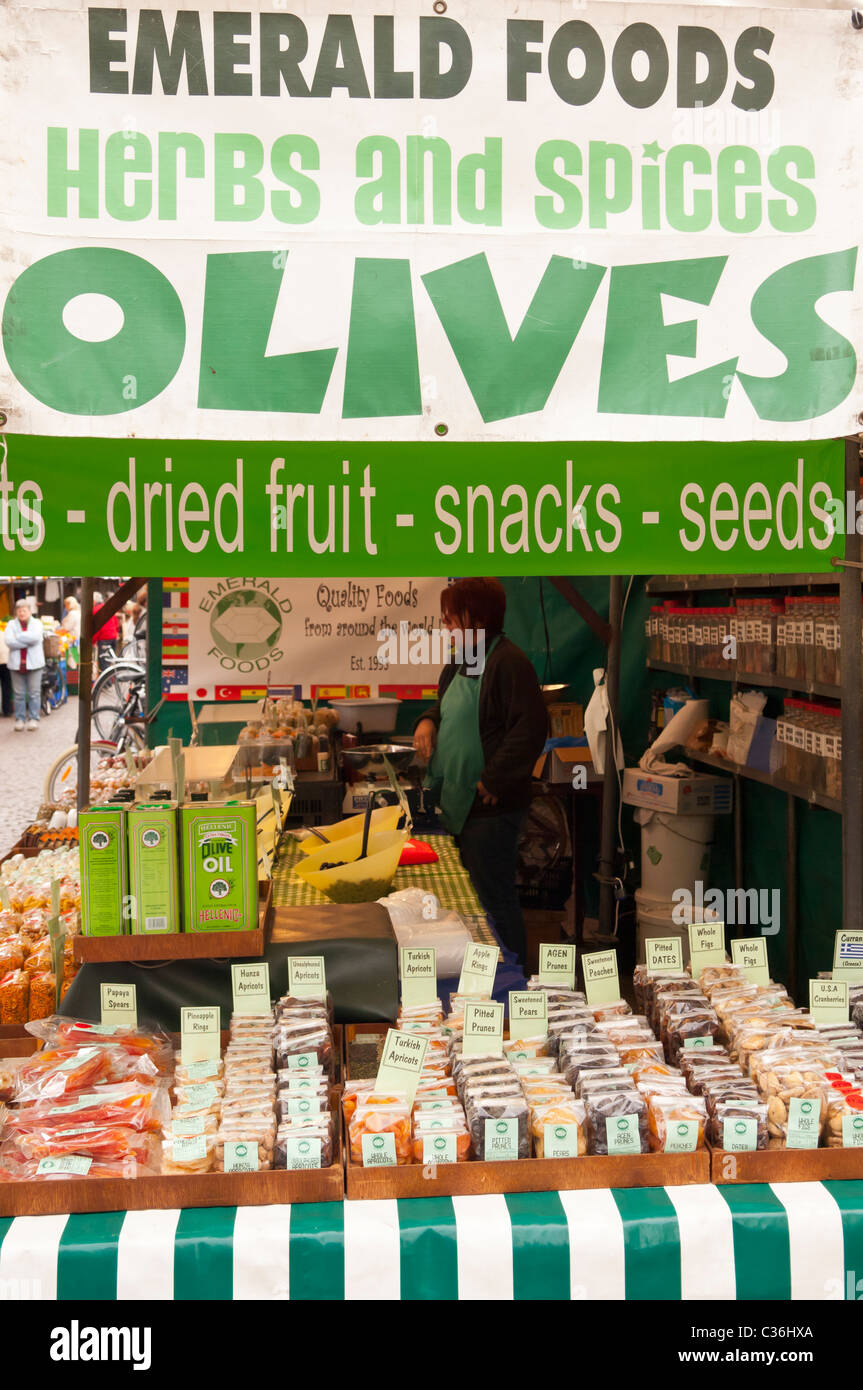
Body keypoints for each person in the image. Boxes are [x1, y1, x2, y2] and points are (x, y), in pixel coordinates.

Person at [413, 578, 548, 967]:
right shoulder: (464, 659)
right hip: (455, 800)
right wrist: (427, 721)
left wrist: (494, 779)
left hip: (490, 806)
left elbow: (530, 729)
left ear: (478, 618)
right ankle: (479, 976)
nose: (446, 625)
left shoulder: (509, 663)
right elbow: (447, 706)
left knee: (494, 898)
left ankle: (514, 979)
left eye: (452, 618)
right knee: (468, 898)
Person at [5, 599, 45, 731]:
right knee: (18, 694)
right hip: (16, 665)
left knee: (34, 693)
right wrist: (27, 639)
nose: (22, 613)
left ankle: (34, 718)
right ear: (16, 612)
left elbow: (36, 638)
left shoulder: (37, 623)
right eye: (19, 610)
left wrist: (18, 636)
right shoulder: (11, 624)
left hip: (34, 664)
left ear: (29, 611)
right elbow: (9, 641)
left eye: (24, 610)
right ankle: (20, 719)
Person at [92, 591, 119, 673]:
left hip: (104, 638)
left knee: (103, 663)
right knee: (111, 661)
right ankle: (112, 680)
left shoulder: (95, 610)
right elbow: (115, 622)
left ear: (94, 601)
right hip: (113, 637)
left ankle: (107, 684)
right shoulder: (108, 607)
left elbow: (96, 627)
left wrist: (93, 641)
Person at [0, 623, 12, 717]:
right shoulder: (5, 631)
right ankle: (7, 710)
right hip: (6, 661)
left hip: (5, 660)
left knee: (6, 686)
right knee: (6, 686)